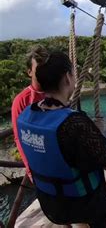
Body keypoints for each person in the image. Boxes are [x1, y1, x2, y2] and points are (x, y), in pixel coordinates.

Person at [15, 51, 106, 227]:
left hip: (52, 203)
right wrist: (96, 133)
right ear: (67, 78)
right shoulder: (75, 123)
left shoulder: (26, 115)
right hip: (84, 204)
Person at [11, 45, 49, 181]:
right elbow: (18, 137)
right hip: (39, 162)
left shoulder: (55, 93)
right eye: (39, 68)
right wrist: (29, 169)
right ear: (29, 72)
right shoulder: (22, 100)